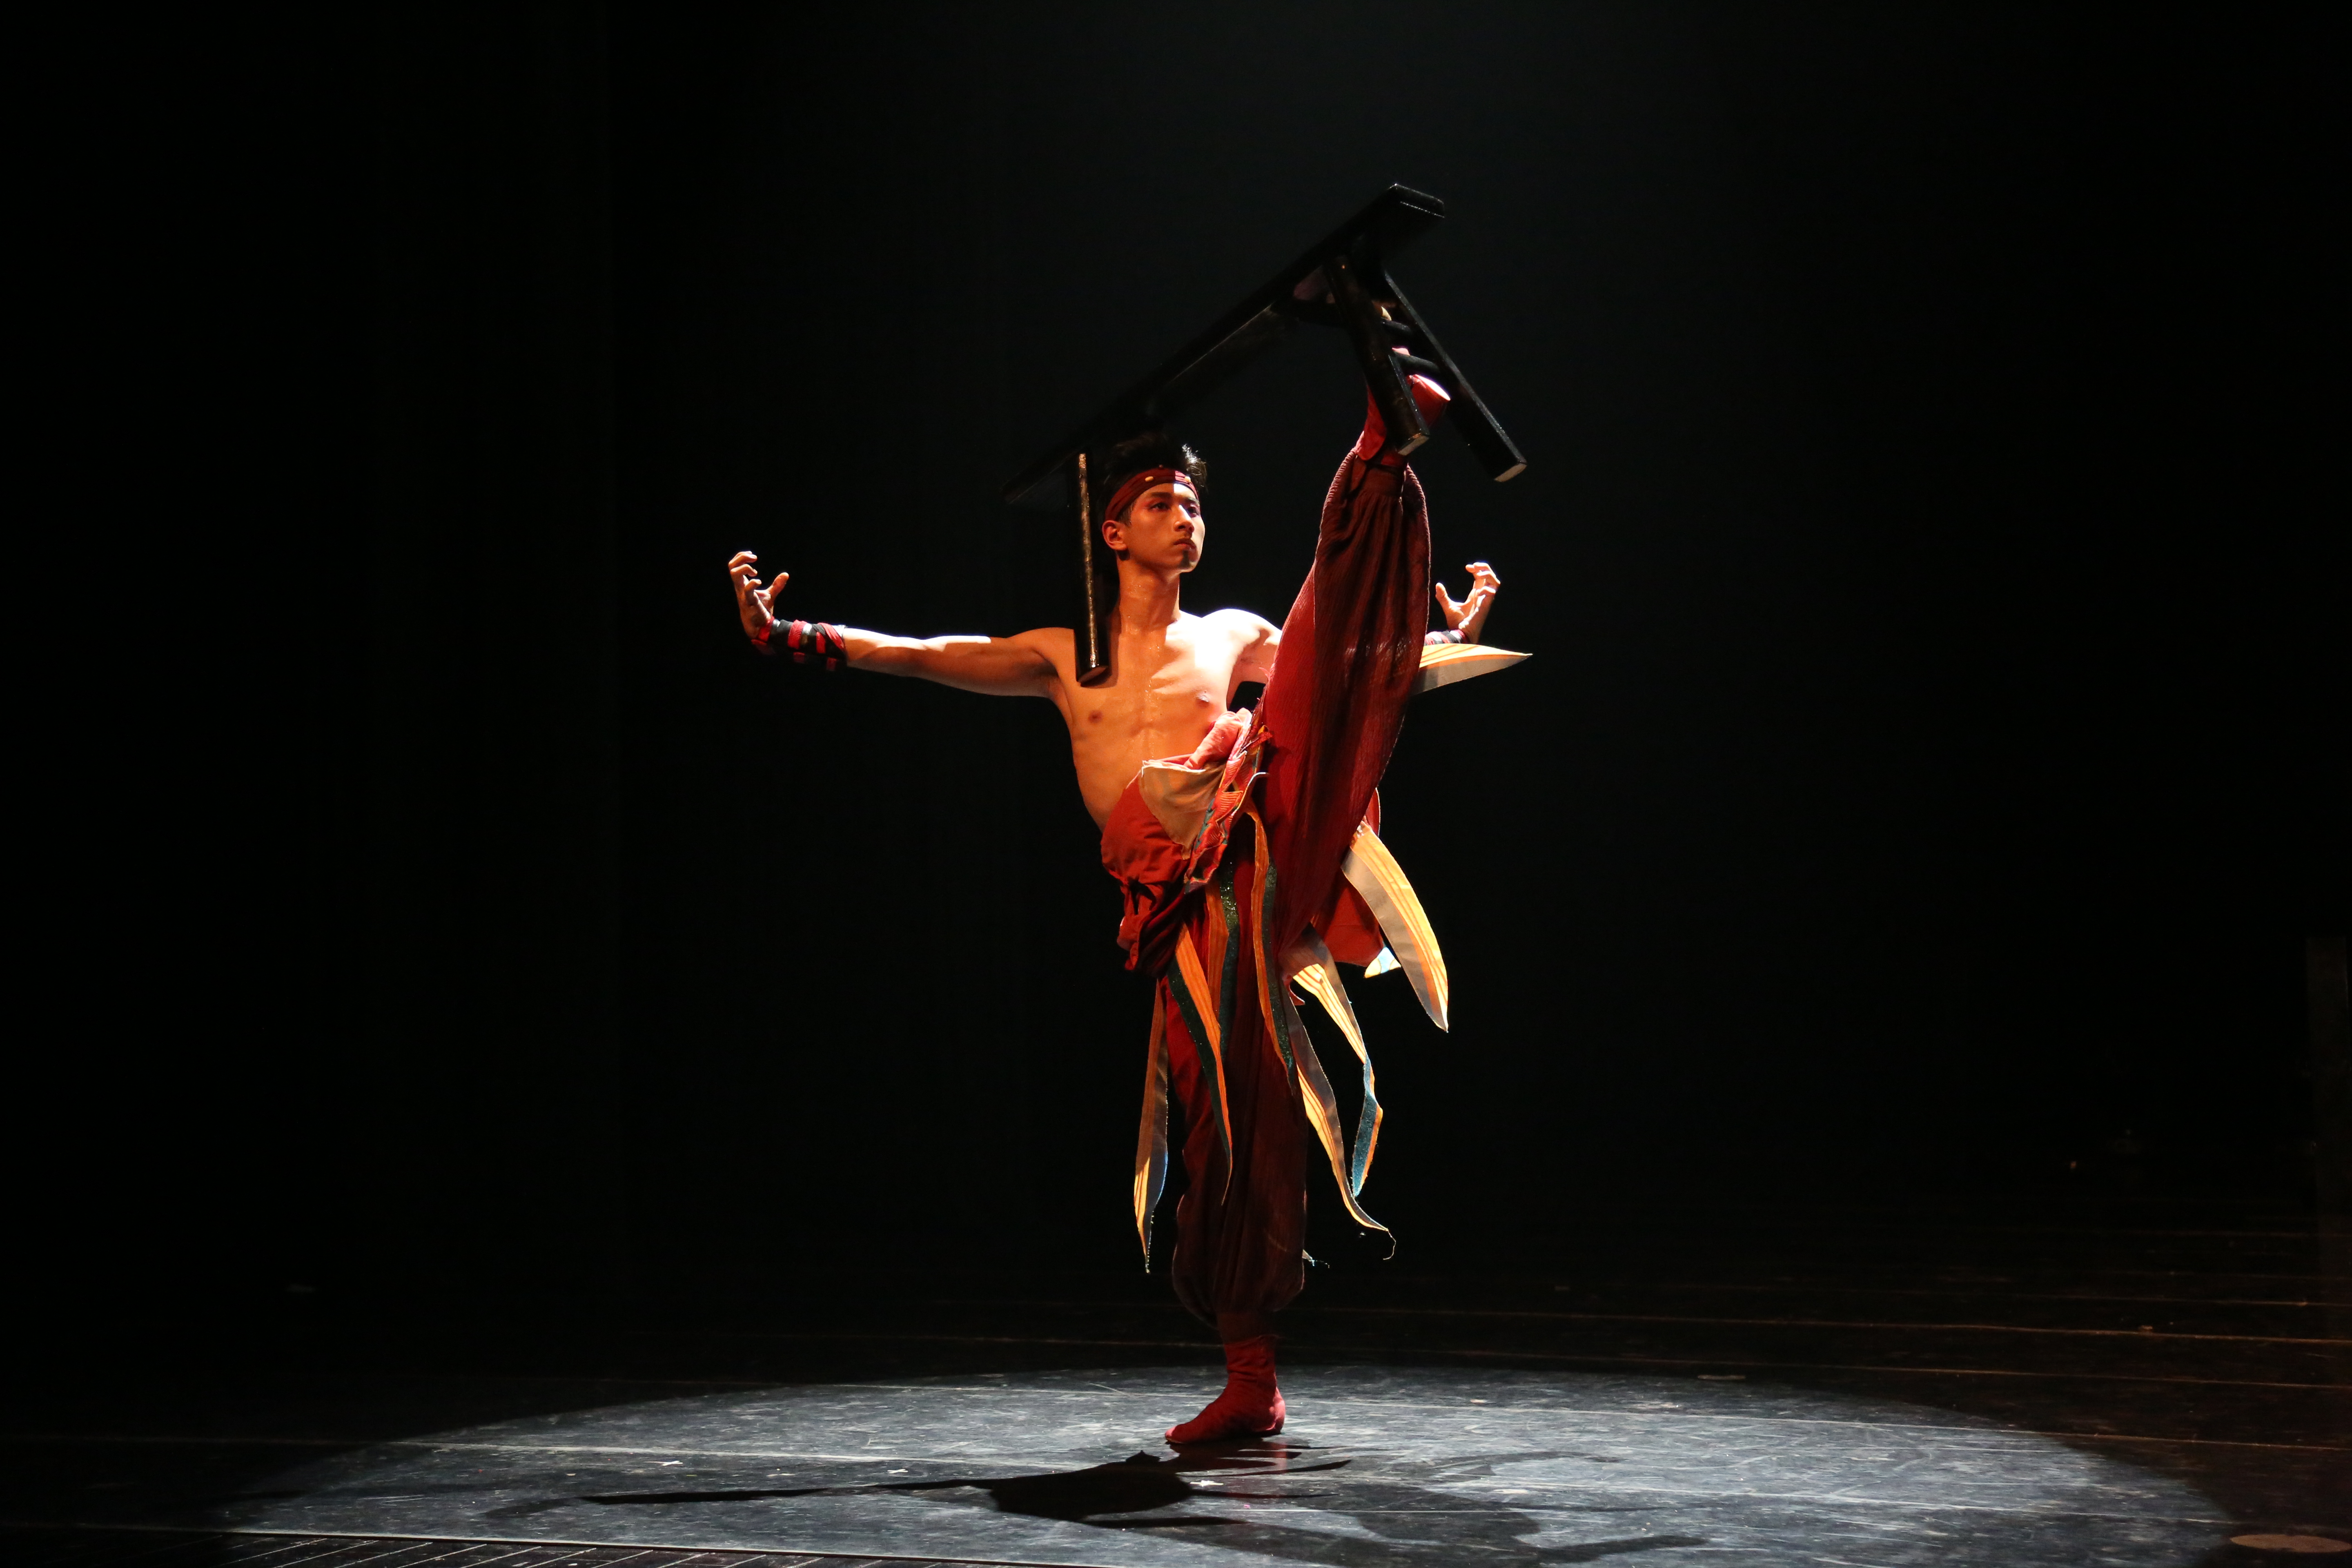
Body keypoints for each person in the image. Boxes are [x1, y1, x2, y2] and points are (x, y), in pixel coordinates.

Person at [727, 372, 1514, 1443]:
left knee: (1302, 672)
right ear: (1112, 531)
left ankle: (1377, 463)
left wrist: (1435, 637)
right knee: (1226, 1123)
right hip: (1179, 914)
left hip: (1250, 850)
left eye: (1193, 505)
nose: (1185, 519)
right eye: (1160, 504)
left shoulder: (1228, 635)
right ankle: (1252, 1378)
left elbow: (1339, 668)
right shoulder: (1063, 656)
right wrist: (791, 636)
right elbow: (926, 656)